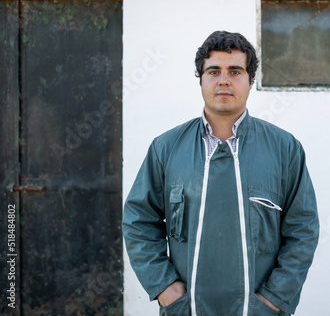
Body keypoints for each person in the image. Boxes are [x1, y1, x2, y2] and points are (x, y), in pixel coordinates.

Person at [123, 30, 319, 316]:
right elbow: (139, 221)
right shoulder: (166, 148)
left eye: (235, 71)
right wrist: (164, 287)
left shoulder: (284, 149)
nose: (224, 80)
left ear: (251, 81)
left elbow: (303, 231)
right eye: (213, 71)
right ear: (201, 80)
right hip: (185, 310)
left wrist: (274, 300)